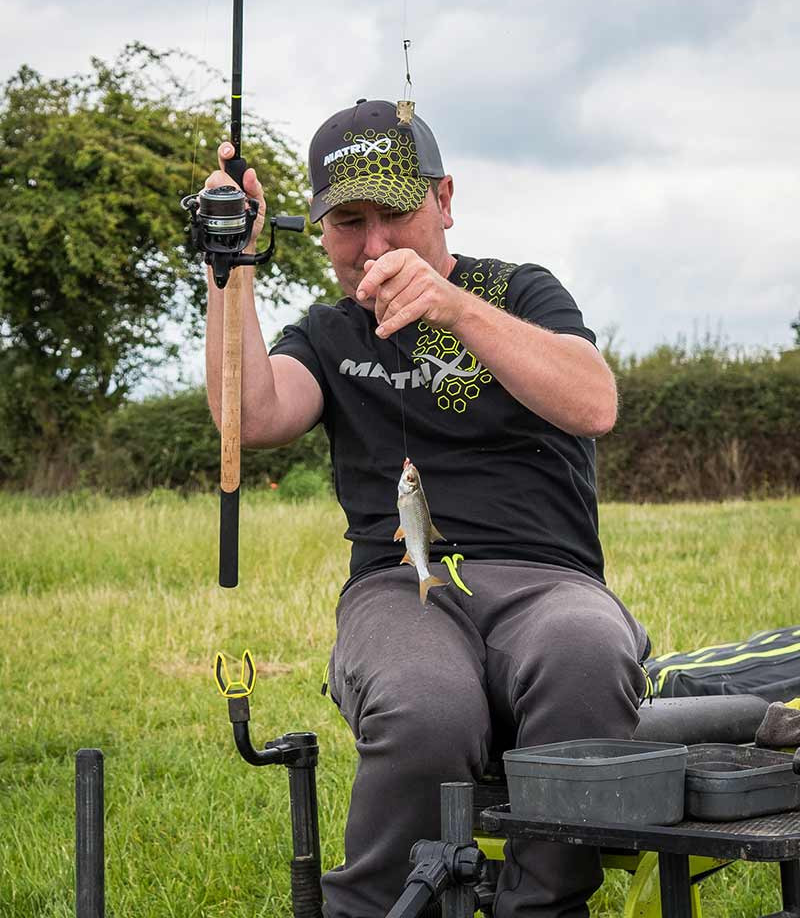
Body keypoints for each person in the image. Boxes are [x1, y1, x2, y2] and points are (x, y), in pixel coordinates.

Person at [205, 99, 649, 918]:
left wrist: (454, 307)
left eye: (396, 213)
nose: (375, 246)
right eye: (349, 223)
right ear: (322, 232)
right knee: (426, 705)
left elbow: (593, 403)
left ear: (444, 200)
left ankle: (542, 905)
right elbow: (253, 417)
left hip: (547, 582)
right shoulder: (328, 335)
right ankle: (381, 907)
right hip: (398, 586)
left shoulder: (520, 292)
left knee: (585, 655)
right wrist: (228, 267)